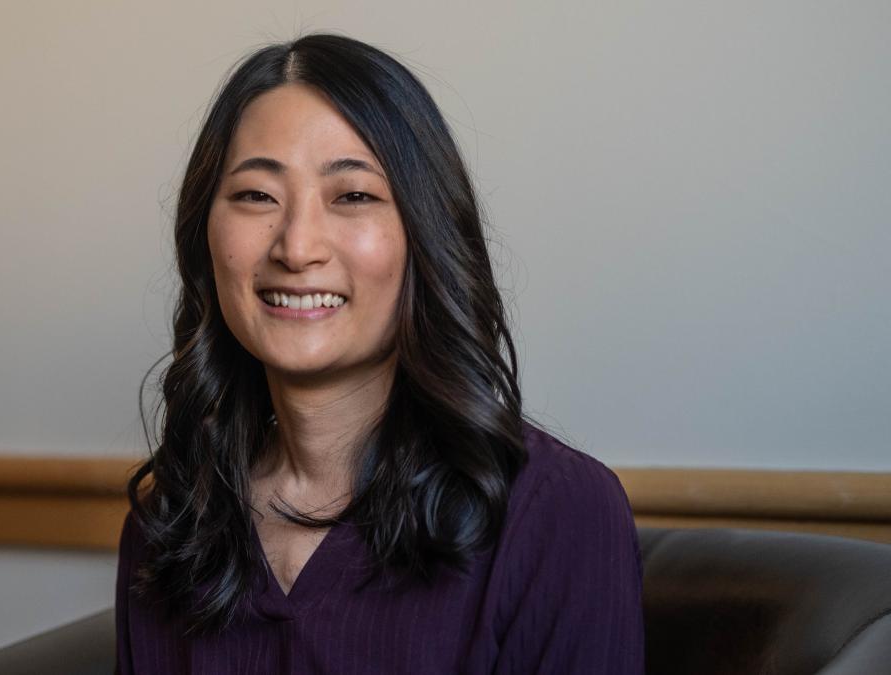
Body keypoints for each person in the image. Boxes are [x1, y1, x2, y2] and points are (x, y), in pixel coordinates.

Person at [115, 32, 644, 674]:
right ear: (205, 233)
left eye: (354, 196)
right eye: (257, 195)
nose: (298, 246)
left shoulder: (558, 512)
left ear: (424, 236)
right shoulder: (172, 520)